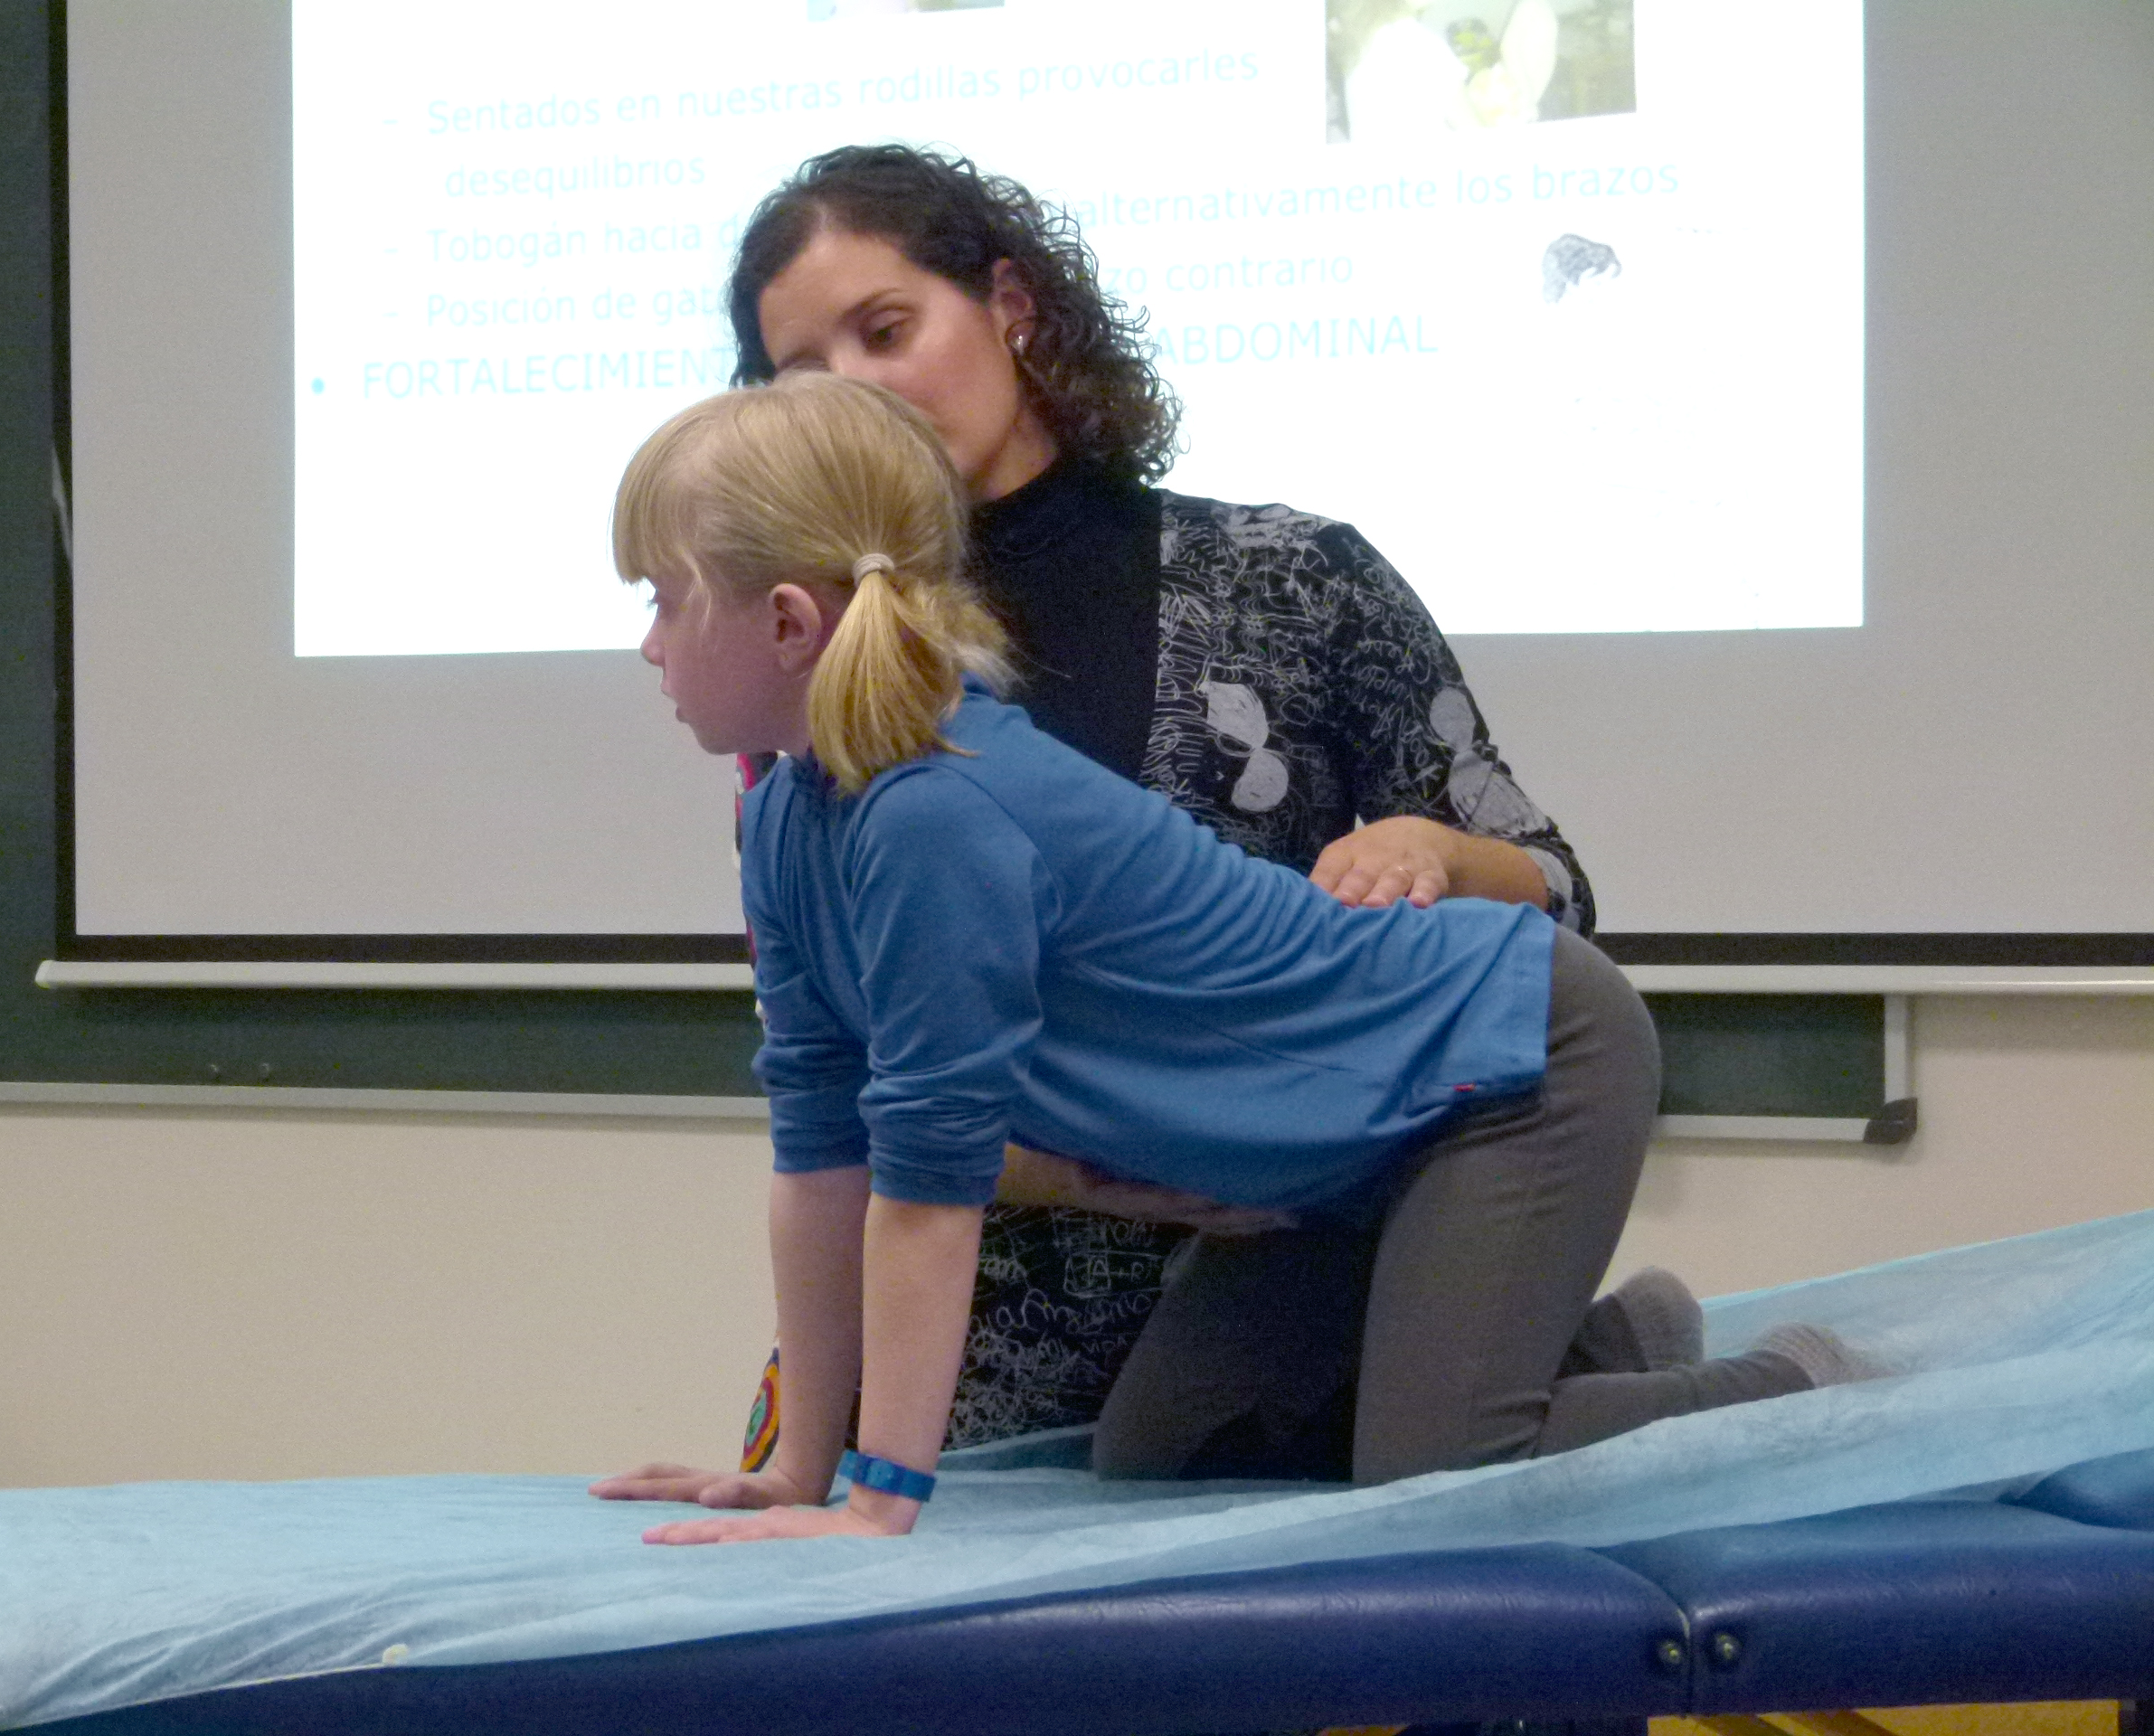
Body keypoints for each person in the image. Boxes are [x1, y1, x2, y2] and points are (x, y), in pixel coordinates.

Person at [588, 373, 1861, 1543]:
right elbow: (826, 1152)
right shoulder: (786, 816)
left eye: (662, 600)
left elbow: (929, 1185)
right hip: (1337, 1143)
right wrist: (795, 1473)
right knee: (1167, 1449)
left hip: (1510, 1054)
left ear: (789, 622)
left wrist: (880, 1504)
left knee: (1441, 1471)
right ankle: (1609, 1345)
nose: (648, 644)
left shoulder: (935, 812)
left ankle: (1791, 1385)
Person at [713, 144, 1699, 1475]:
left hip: (1318, 1225)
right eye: (807, 372)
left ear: (1012, 306)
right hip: (974, 1326)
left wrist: (1434, 849)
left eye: (887, 331)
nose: (862, 389)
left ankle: (1585, 1375)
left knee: (1417, 1489)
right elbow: (843, 1072)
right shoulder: (812, 674)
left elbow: (1558, 897)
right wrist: (1116, 1173)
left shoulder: (1293, 578)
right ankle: (1589, 1357)